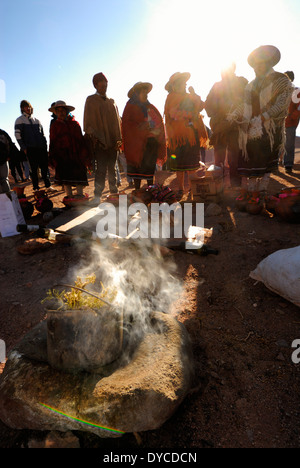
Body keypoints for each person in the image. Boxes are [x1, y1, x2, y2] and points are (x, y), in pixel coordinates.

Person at [228, 45, 293, 207]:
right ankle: (250, 193)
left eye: (261, 63)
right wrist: (235, 113)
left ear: (269, 62)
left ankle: (261, 194)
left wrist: (265, 117)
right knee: (251, 162)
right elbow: (245, 104)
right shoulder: (251, 85)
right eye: (256, 64)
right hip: (252, 129)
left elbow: (283, 102)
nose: (258, 66)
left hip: (271, 129)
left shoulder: (281, 80)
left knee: (266, 162)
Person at [164, 72, 208, 199]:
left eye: (184, 83)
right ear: (175, 85)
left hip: (191, 135)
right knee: (180, 166)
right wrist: (190, 115)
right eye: (181, 83)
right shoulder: (171, 97)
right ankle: (181, 189)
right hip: (178, 137)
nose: (184, 85)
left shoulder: (190, 96)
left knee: (192, 164)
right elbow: (173, 113)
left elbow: (201, 106)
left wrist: (194, 94)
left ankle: (193, 189)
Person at [205, 63, 248, 188]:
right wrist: (217, 117)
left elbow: (249, 99)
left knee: (234, 157)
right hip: (220, 126)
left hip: (236, 125)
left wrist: (237, 114)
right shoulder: (217, 86)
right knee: (219, 158)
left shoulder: (241, 82)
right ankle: (218, 186)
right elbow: (208, 105)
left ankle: (235, 185)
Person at [83, 72, 122, 201]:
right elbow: (88, 122)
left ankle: (114, 194)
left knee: (112, 168)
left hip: (113, 141)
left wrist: (118, 138)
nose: (104, 87)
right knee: (100, 170)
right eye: (101, 85)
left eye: (105, 85)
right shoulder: (91, 100)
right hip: (99, 142)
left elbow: (117, 122)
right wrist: (94, 136)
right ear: (95, 85)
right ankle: (97, 196)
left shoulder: (112, 102)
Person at [122, 81, 167, 190]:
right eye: (143, 91)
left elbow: (158, 122)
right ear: (137, 93)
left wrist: (153, 128)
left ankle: (150, 191)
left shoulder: (150, 107)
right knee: (137, 171)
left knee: (149, 169)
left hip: (151, 143)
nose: (146, 94)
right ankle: (138, 192)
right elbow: (126, 125)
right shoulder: (130, 107)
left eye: (146, 92)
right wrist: (140, 128)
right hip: (136, 146)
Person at [48, 101, 89, 199]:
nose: (61, 113)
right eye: (58, 111)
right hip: (62, 156)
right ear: (56, 113)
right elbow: (53, 141)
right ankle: (69, 197)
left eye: (63, 110)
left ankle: (80, 195)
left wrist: (84, 154)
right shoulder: (55, 126)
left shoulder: (75, 124)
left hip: (76, 155)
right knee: (65, 176)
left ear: (67, 111)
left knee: (79, 173)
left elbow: (80, 140)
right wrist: (53, 155)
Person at [14, 100, 53, 191]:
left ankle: (48, 186)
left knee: (44, 168)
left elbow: (42, 134)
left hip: (41, 148)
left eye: (29, 106)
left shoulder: (37, 120)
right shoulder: (19, 120)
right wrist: (24, 148)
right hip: (30, 149)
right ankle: (36, 188)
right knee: (33, 169)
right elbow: (17, 135)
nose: (27, 108)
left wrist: (45, 146)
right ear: (22, 109)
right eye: (25, 107)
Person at [283, 71, 300, 174]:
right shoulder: (280, 92)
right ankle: (275, 164)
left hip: (291, 122)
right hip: (279, 122)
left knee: (289, 143)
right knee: (278, 143)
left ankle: (288, 164)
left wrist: (293, 116)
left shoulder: (296, 91)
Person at [0, 129, 12, 193]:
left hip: (4, 159)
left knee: (4, 179)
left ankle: (8, 198)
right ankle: (2, 201)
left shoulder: (2, 133)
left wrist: (9, 155)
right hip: (4, 158)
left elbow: (9, 143)